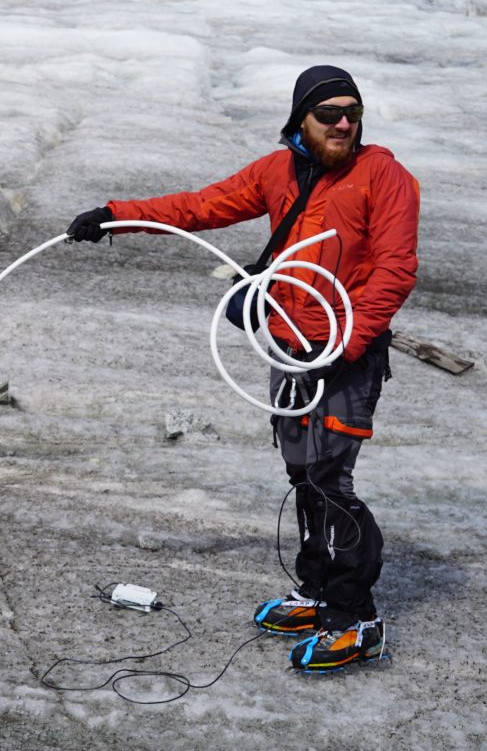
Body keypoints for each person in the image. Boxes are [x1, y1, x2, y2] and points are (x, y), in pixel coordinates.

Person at [65, 65, 419, 672]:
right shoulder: (278, 171)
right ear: (301, 119)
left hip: (346, 354)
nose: (343, 124)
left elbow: (395, 270)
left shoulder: (383, 176)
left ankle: (355, 617)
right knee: (303, 474)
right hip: (288, 348)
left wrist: (349, 344)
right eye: (329, 113)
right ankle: (315, 590)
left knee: (332, 480)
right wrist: (114, 214)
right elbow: (200, 207)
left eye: (352, 113)